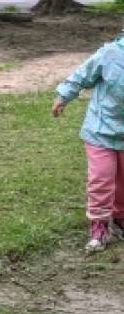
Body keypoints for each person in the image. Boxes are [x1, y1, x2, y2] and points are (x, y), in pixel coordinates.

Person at [52, 30, 124, 253]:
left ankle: (120, 219)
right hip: (100, 131)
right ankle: (99, 226)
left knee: (122, 182)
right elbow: (82, 74)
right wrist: (63, 96)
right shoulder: (111, 54)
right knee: (101, 179)